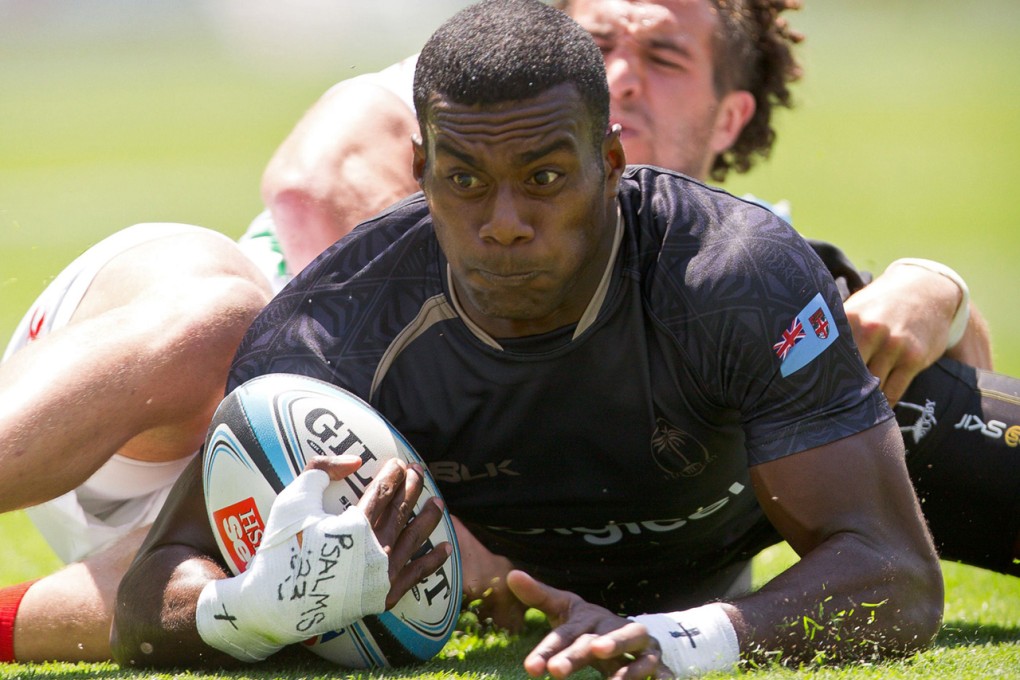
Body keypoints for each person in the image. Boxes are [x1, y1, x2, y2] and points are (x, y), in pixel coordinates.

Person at [111, 2, 944, 677]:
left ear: (610, 162)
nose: (503, 222)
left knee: (953, 422)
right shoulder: (333, 330)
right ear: (420, 170)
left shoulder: (733, 275)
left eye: (544, 177)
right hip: (495, 588)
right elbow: (146, 601)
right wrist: (250, 609)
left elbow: (899, 575)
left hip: (740, 522)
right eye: (464, 179)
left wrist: (686, 639)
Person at [253, 0, 1018, 590]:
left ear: (728, 117)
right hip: (262, 386)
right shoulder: (428, 233)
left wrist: (935, 289)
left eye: (663, 56)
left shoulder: (738, 261)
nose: (620, 75)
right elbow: (309, 187)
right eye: (598, 46)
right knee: (207, 313)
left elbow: (943, 359)